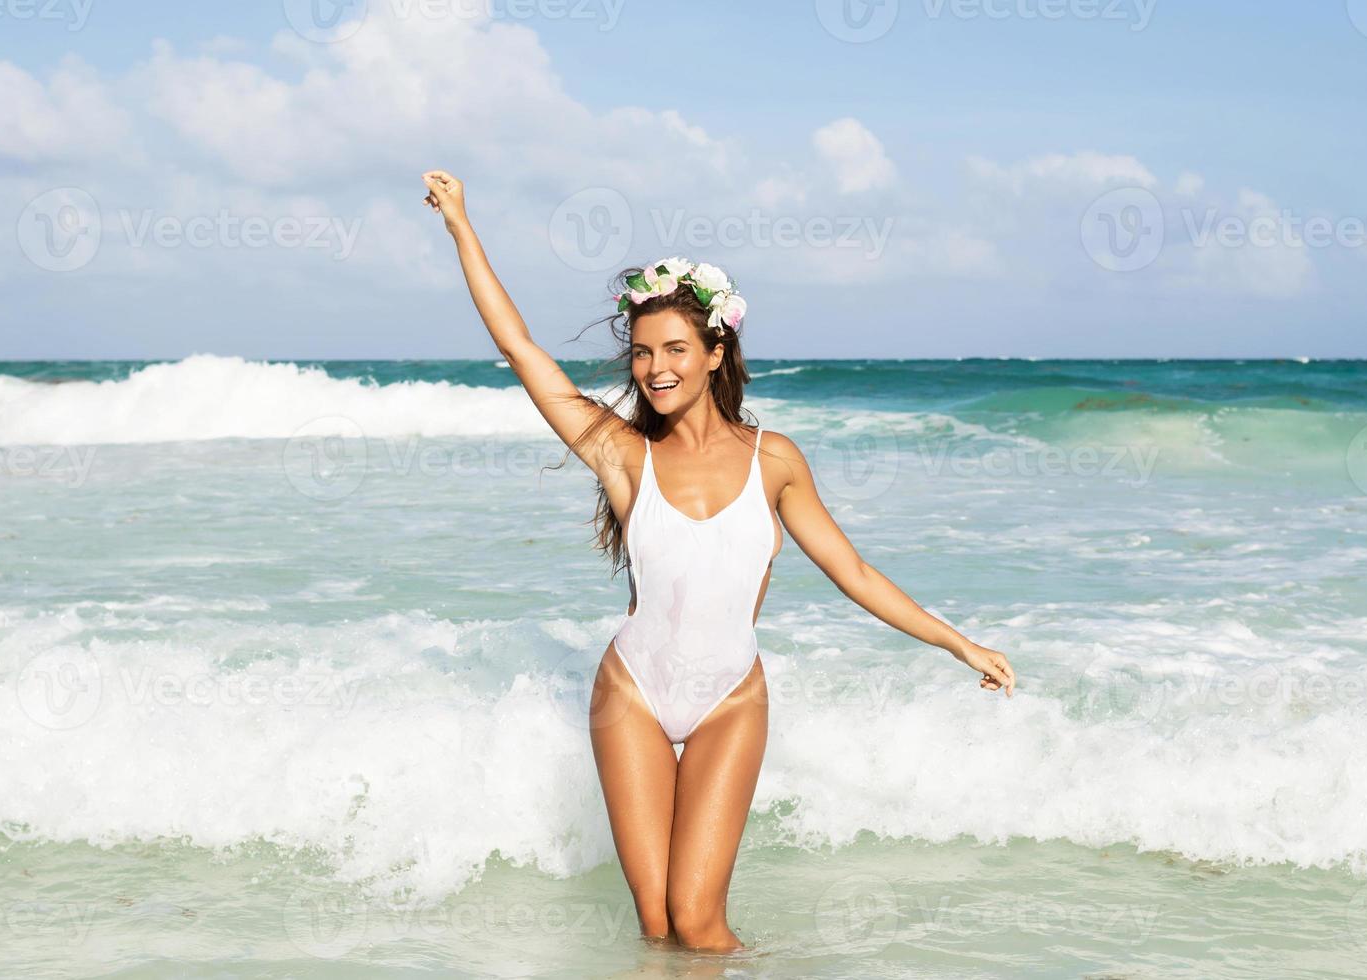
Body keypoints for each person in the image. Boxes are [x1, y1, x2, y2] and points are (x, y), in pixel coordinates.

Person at [421, 169, 1016, 954]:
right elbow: (518, 346)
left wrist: (960, 643)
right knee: (658, 924)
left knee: (700, 923)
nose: (655, 367)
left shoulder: (775, 462)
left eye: (674, 349)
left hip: (730, 697)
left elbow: (856, 575)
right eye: (641, 353)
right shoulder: (622, 455)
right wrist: (462, 223)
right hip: (631, 692)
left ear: (714, 350)